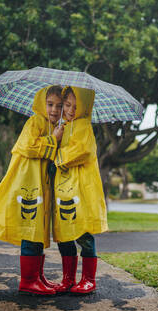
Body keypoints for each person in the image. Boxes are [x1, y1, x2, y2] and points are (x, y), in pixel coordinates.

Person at [0, 85, 64, 296]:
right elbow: (28, 146)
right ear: (41, 104)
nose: (54, 110)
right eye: (50, 104)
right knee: (31, 228)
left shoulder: (53, 125)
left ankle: (37, 276)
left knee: (38, 230)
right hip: (27, 183)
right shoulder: (36, 121)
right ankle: (28, 280)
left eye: (59, 105)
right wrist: (53, 140)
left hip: (40, 184)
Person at [52, 86, 108, 294]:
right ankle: (67, 278)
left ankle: (88, 279)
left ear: (86, 107)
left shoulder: (84, 125)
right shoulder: (62, 125)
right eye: (67, 105)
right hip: (63, 189)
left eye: (76, 106)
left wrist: (58, 156)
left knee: (83, 233)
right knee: (64, 234)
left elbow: (83, 150)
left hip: (80, 190)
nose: (71, 110)